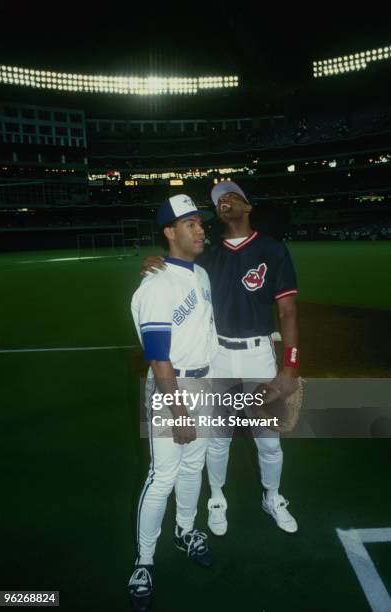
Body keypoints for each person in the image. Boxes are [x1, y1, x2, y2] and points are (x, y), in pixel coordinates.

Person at [142, 180, 299, 539]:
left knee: (269, 439)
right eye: (218, 201)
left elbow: (288, 312)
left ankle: (272, 497)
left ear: (248, 205)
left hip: (260, 354)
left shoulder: (274, 250)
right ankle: (215, 497)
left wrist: (289, 367)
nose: (224, 201)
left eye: (232, 196)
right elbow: (176, 265)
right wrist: (156, 263)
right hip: (219, 357)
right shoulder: (206, 257)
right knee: (218, 438)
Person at [129, 194, 218, 611]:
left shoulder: (200, 275)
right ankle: (144, 561)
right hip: (173, 389)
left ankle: (186, 530)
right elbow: (159, 357)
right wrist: (178, 409)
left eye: (200, 222)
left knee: (194, 466)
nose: (201, 229)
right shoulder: (156, 284)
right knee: (162, 475)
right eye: (190, 224)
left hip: (204, 384)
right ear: (169, 232)